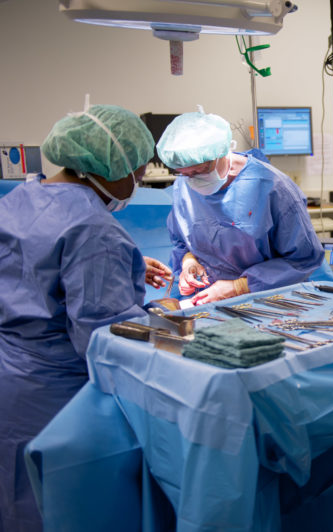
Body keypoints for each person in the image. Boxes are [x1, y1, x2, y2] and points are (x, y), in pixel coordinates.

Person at [0, 104, 170, 532]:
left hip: (9, 378)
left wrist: (124, 264)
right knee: (59, 508)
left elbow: (32, 268)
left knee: (15, 499)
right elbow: (104, 335)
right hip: (53, 394)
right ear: (108, 165)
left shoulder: (22, 196)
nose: (139, 179)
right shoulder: (95, 230)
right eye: (136, 168)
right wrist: (172, 324)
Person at [156, 109, 331, 306]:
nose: (193, 180)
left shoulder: (273, 187)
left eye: (201, 170)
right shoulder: (184, 186)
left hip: (266, 300)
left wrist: (239, 287)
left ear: (222, 152)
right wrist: (189, 261)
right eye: (185, 174)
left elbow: (303, 259)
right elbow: (182, 241)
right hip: (205, 300)